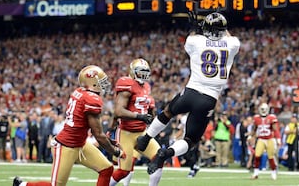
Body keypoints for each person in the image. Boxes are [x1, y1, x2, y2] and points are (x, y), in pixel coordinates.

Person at [136, 12, 240, 175]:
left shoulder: (195, 41)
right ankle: (165, 154)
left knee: (168, 112)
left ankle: (146, 137)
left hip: (190, 92)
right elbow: (226, 35)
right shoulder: (233, 43)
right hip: (209, 98)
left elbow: (193, 37)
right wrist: (219, 20)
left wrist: (194, 27)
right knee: (190, 140)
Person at [13, 65, 126, 186]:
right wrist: (116, 152)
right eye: (101, 81)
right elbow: (98, 134)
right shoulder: (91, 99)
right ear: (92, 83)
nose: (105, 85)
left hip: (80, 144)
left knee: (106, 169)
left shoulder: (79, 92)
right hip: (65, 146)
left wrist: (107, 140)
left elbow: (94, 130)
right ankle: (23, 185)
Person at [109, 58, 162, 186]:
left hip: (142, 132)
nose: (143, 74)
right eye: (140, 71)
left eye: (145, 72)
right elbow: (118, 111)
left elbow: (148, 109)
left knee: (159, 157)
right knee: (123, 171)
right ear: (133, 72)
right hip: (126, 133)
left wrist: (151, 115)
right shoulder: (126, 83)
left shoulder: (147, 86)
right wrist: (140, 116)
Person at [249, 103, 281, 180]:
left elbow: (275, 129)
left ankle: (273, 172)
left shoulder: (271, 118)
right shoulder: (256, 118)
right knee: (257, 155)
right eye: (262, 109)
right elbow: (254, 129)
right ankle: (256, 173)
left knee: (271, 157)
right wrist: (251, 136)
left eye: (265, 109)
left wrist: (278, 138)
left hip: (270, 139)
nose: (263, 111)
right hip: (261, 139)